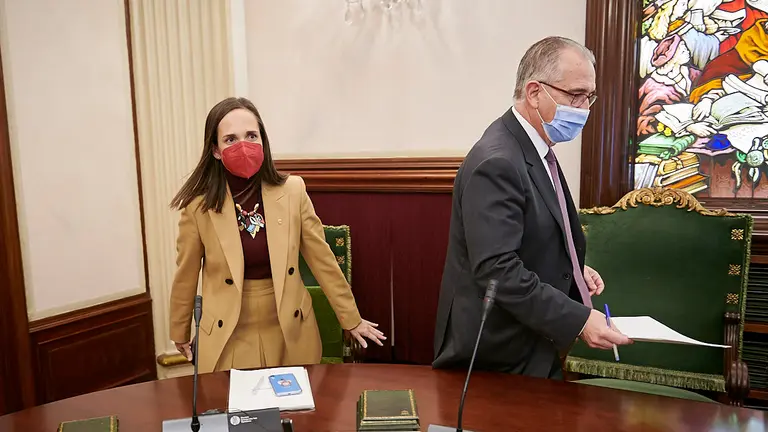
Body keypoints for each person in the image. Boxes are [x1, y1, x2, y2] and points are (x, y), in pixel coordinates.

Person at [432, 36, 632, 379]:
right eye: (575, 95)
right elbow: (497, 269)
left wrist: (568, 265)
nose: (584, 108)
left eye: (589, 97)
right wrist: (580, 319)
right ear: (535, 92)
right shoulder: (498, 161)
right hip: (498, 353)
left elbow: (523, 235)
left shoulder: (533, 148)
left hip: (530, 342)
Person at [169, 97, 385, 373]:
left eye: (251, 136)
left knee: (296, 411)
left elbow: (323, 261)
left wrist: (351, 319)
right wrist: (179, 329)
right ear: (215, 150)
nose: (243, 145)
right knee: (236, 411)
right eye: (230, 139)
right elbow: (185, 273)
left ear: (263, 141)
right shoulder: (198, 206)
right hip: (228, 332)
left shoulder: (293, 191)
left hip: (289, 328)